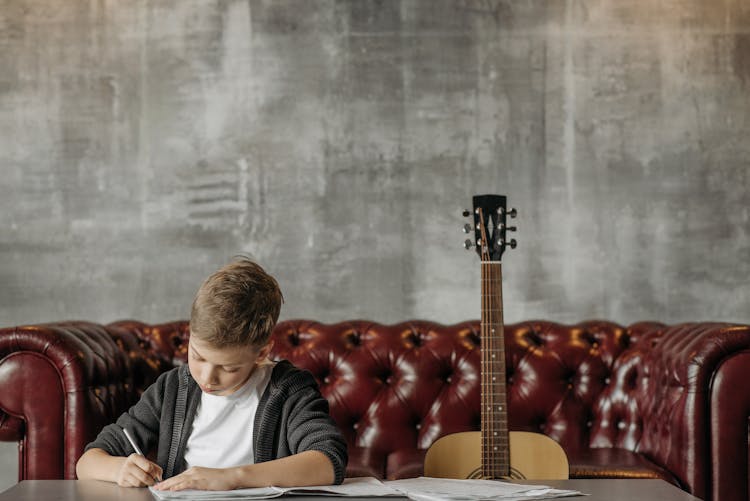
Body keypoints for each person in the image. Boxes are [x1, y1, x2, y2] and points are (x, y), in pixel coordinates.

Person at [76, 259, 347, 491]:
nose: (207, 378)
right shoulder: (172, 388)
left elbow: (328, 461)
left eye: (229, 368)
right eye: (198, 356)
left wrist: (232, 478)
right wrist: (118, 468)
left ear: (262, 352)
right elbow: (87, 463)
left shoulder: (288, 389)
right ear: (190, 333)